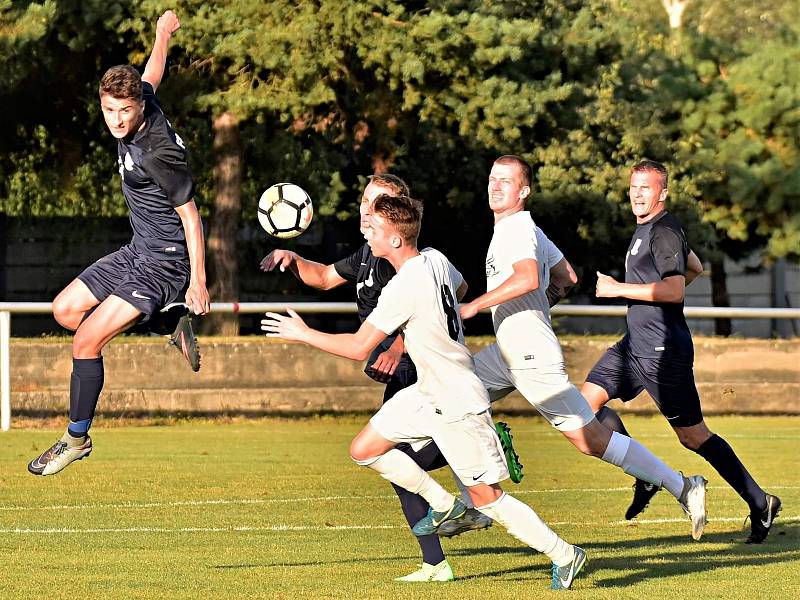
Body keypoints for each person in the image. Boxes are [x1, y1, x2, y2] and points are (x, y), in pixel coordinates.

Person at [263, 194, 587, 590]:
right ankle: (447, 505)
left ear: (396, 241)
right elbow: (462, 285)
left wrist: (303, 334)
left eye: (375, 229)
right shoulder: (435, 259)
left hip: (456, 399)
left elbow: (358, 347)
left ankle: (564, 554)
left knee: (488, 499)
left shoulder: (404, 286)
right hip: (427, 391)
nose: (367, 232)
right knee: (365, 449)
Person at [459, 155, 708, 540]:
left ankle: (682, 486)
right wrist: (538, 306)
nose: (495, 186)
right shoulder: (525, 230)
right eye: (492, 179)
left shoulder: (518, 227)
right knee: (454, 396)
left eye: (505, 181)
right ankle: (478, 496)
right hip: (505, 349)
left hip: (529, 354)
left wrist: (476, 304)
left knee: (590, 440)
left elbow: (527, 278)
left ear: (523, 191)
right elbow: (567, 276)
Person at [260, 175, 491, 583]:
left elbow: (444, 296)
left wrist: (398, 345)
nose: (367, 208)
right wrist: (293, 259)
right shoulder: (368, 253)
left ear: (395, 212)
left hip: (423, 372)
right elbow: (325, 277)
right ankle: (436, 560)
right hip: (405, 378)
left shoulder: (406, 260)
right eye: (365, 199)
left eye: (378, 201)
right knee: (395, 466)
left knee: (394, 458)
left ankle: (466, 487)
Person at [27, 10, 210, 477]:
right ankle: (167, 324)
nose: (116, 119)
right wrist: (162, 33)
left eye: (125, 111)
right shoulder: (138, 96)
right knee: (65, 311)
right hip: (136, 250)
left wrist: (199, 283)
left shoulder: (159, 152)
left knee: (86, 341)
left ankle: (75, 438)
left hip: (165, 264)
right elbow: (152, 71)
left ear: (140, 109)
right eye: (109, 110)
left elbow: (191, 217)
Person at [580, 159, 781, 543]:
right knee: (581, 407)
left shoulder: (664, 232)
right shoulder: (649, 229)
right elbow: (696, 266)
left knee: (693, 437)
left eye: (647, 188)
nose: (638, 194)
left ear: (663, 193)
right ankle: (646, 477)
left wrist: (618, 289)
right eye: (634, 187)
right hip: (633, 347)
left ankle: (760, 502)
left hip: (662, 352)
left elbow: (676, 289)